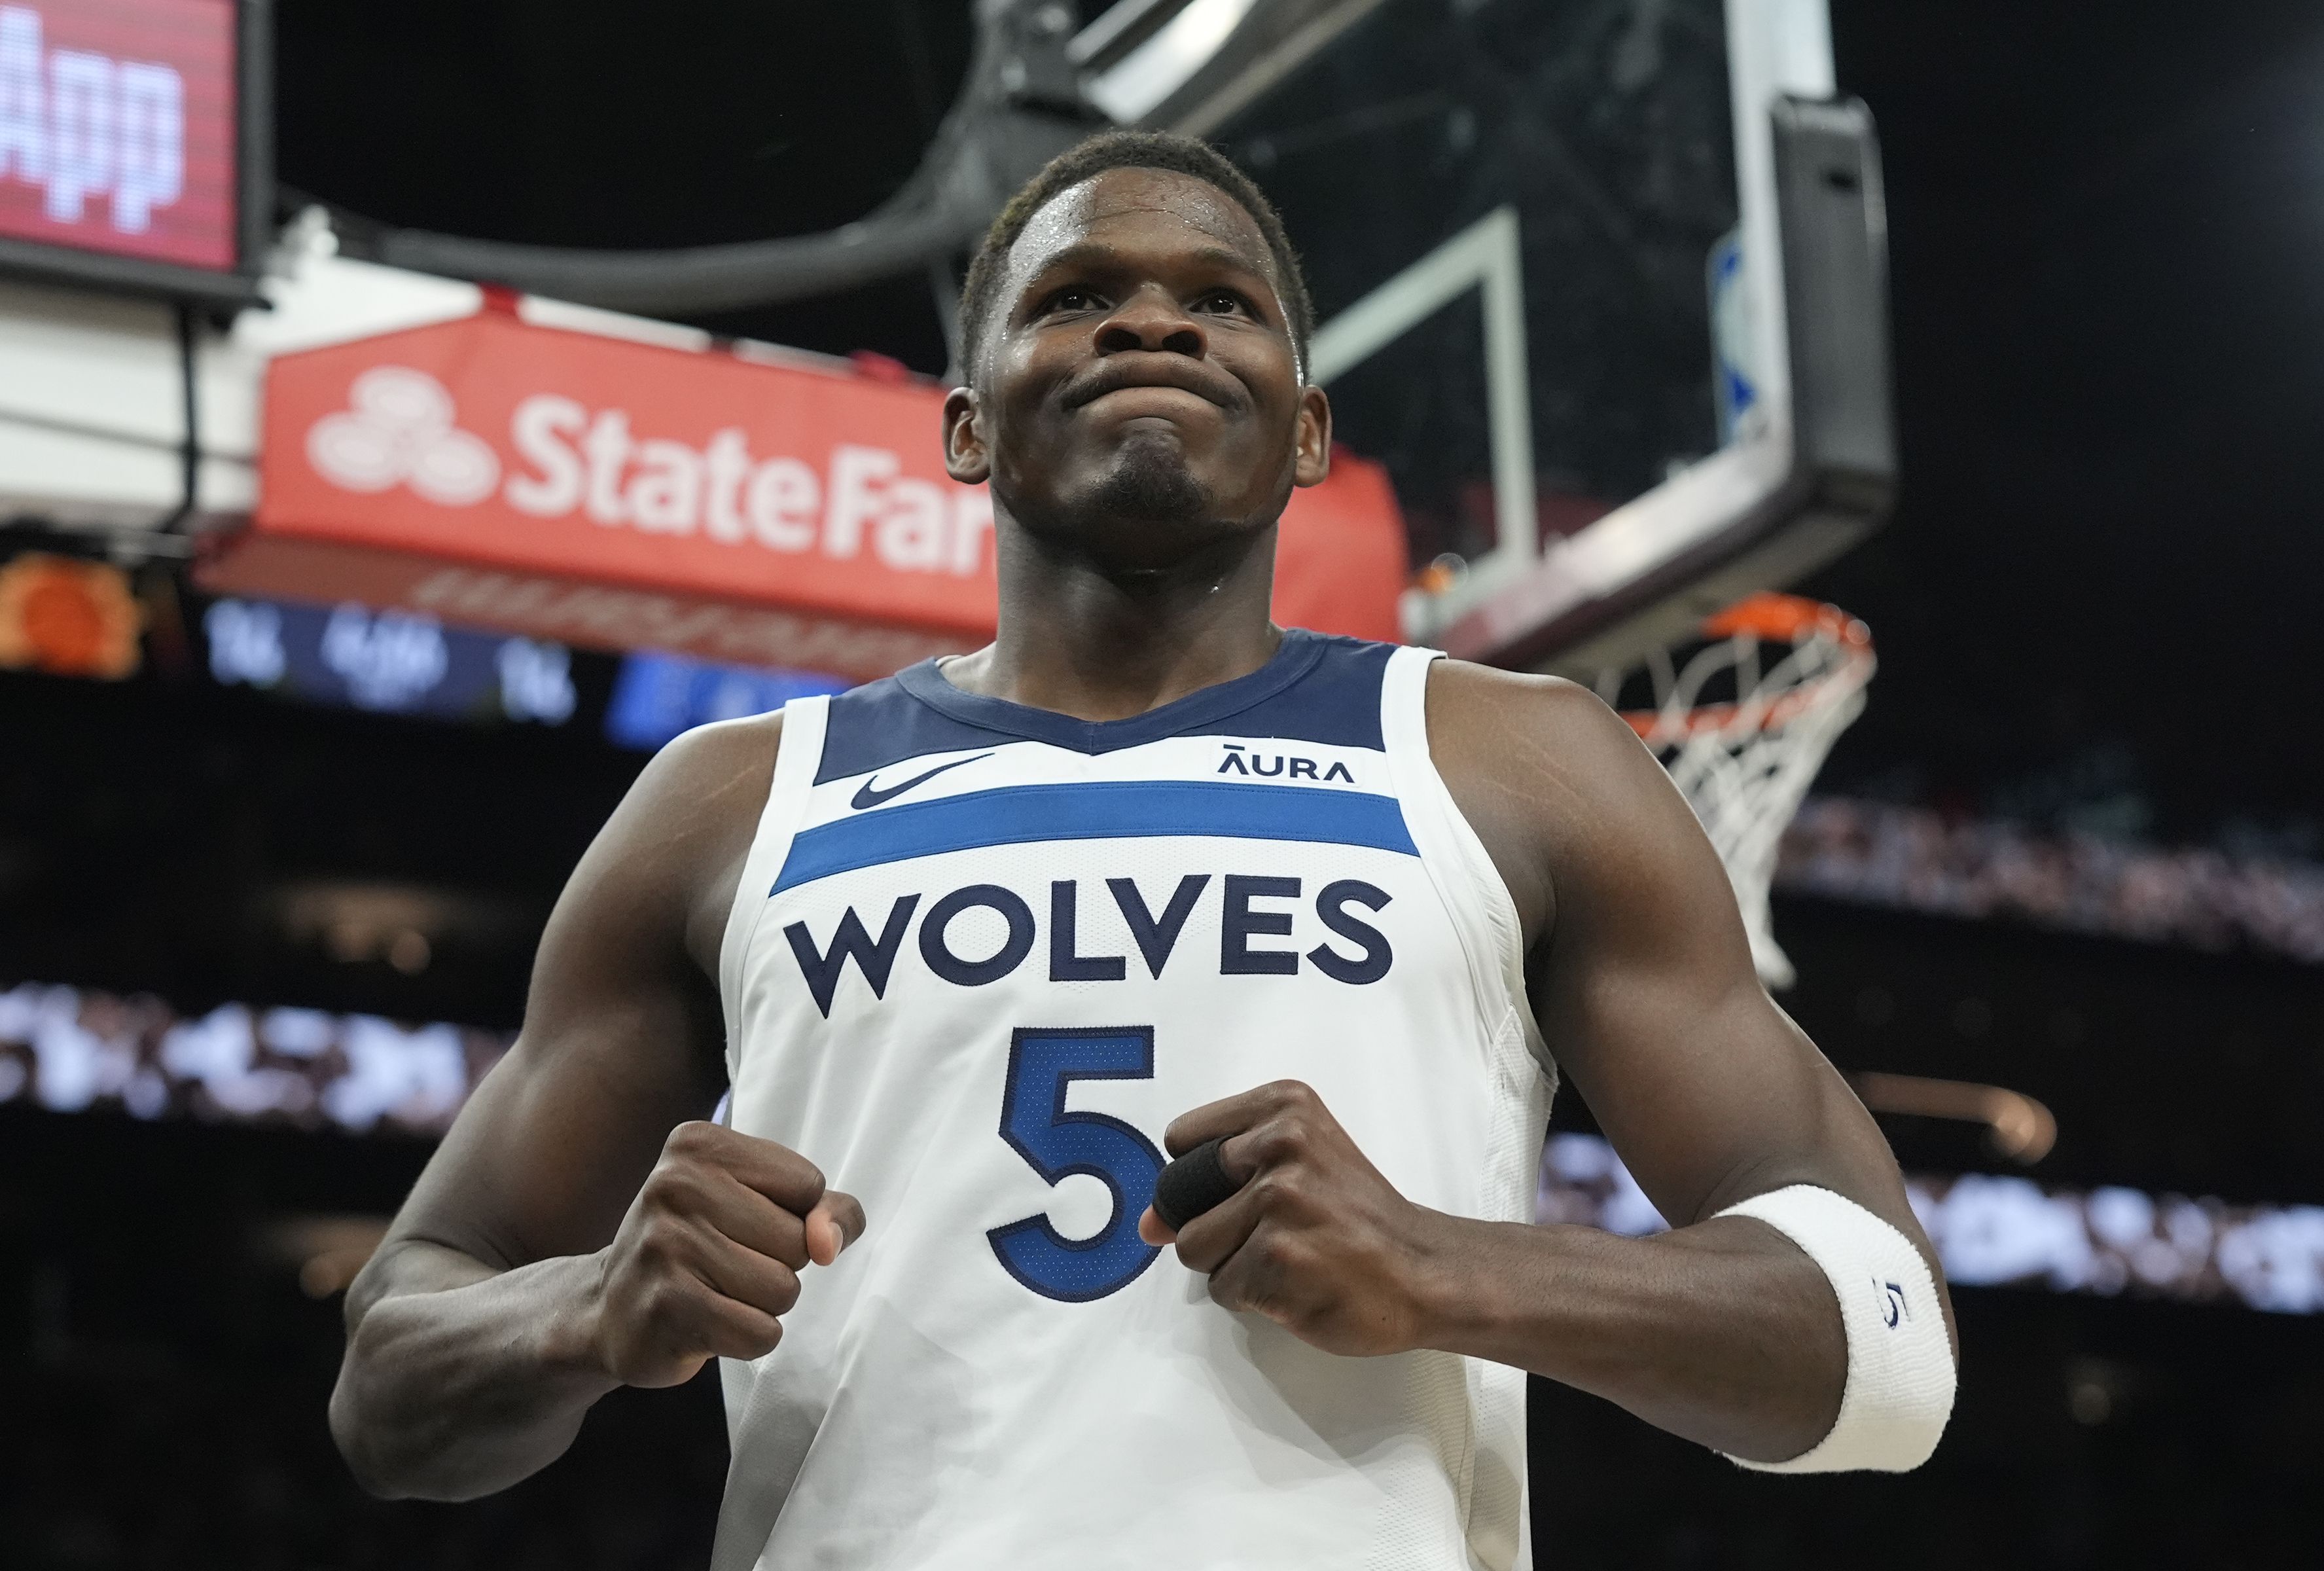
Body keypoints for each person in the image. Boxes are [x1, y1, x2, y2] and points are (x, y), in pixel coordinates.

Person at [330, 132, 1955, 1570]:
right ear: (964, 431)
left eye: (1223, 300)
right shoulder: (733, 798)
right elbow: (391, 1385)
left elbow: (1890, 1354)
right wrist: (591, 1309)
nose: (1155, 317)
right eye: (1075, 294)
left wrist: (1443, 1267)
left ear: (1308, 433)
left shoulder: (1513, 759)